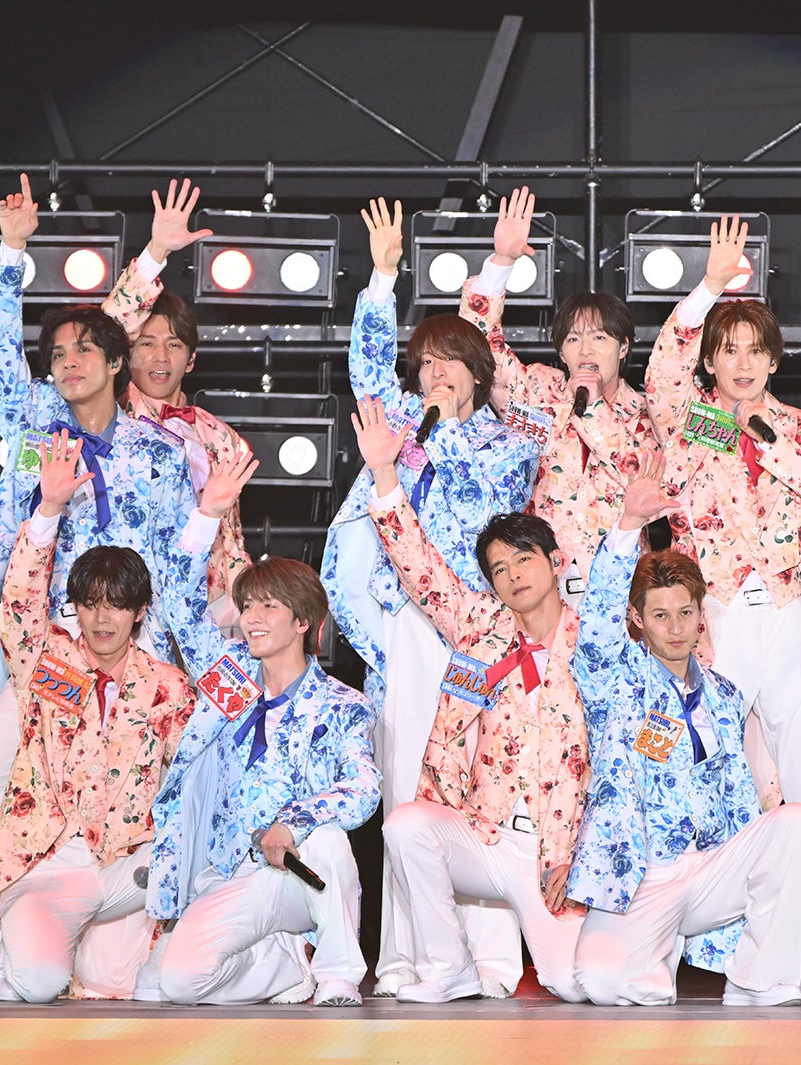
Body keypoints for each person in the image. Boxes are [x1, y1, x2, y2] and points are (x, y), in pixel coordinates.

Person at [0, 173, 195, 998]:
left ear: (118, 363)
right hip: (43, 652)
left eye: (82, 354)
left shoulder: (157, 453)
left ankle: (118, 954)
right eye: (57, 356)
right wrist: (12, 250)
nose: (66, 364)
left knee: (128, 811)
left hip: (129, 662)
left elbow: (173, 568)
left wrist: (154, 255)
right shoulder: (38, 427)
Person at [319, 197, 538, 997]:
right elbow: (366, 373)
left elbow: (478, 521)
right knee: (406, 785)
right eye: (426, 365)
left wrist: (428, 438)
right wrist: (382, 277)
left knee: (478, 783)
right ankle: (408, 957)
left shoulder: (511, 447)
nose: (436, 374)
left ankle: (491, 959)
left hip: (477, 631)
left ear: (479, 371)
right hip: (407, 626)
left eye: (452, 362)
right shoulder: (406, 430)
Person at [354, 395, 591, 1003]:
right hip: (487, 837)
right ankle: (449, 967)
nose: (512, 575)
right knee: (406, 825)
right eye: (498, 568)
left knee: (578, 984)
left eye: (524, 560)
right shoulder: (481, 628)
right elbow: (421, 568)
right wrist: (384, 473)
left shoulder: (595, 642)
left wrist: (583, 854)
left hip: (559, 850)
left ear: (555, 562)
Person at [0, 432, 195, 1002]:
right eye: (91, 604)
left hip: (123, 866)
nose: (103, 619)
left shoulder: (167, 687)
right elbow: (18, 603)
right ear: (75, 607)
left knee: (125, 979)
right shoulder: (47, 659)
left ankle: (121, 949)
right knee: (38, 984)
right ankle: (27, 948)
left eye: (117, 606)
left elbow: (190, 780)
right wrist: (49, 509)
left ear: (140, 612)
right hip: (49, 863)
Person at [566, 467, 801, 1007]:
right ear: (637, 619)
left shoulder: (724, 695)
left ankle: (760, 980)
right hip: (643, 873)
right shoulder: (615, 679)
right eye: (660, 615)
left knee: (797, 822)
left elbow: (739, 797)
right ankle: (653, 960)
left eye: (686, 612)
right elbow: (596, 628)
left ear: (700, 615)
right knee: (600, 982)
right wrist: (628, 524)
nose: (676, 627)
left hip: (710, 869)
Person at [146, 450, 381, 1007]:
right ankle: (283, 966)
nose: (251, 617)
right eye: (247, 605)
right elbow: (178, 602)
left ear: (303, 622)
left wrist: (293, 823)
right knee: (173, 984)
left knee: (328, 841)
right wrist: (207, 514)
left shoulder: (341, 704)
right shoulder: (229, 678)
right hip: (229, 873)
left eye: (268, 607)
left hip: (295, 875)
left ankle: (338, 974)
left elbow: (364, 786)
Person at [643, 215, 801, 811]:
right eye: (729, 351)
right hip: (714, 607)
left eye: (756, 351)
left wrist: (768, 439)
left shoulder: (798, 427)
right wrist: (709, 286)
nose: (743, 364)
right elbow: (662, 374)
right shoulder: (691, 419)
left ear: (773, 361)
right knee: (716, 754)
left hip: (788, 607)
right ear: (709, 362)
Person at [457, 186, 661, 605]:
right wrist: (501, 263)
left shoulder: (647, 413)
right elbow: (474, 348)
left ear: (623, 347)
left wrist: (592, 408)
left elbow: (644, 483)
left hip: (621, 588)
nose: (586, 350)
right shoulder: (536, 388)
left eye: (599, 338)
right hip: (541, 587)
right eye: (573, 339)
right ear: (561, 352)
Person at [99, 179, 252, 633]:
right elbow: (101, 332)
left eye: (174, 344)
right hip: (119, 604)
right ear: (125, 354)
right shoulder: (107, 417)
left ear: (192, 359)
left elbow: (230, 540)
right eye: (146, 344)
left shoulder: (221, 438)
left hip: (201, 611)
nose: (160, 357)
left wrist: (247, 607)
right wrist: (156, 252)